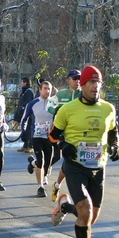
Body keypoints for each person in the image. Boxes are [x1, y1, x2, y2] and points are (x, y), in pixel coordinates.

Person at [48, 65, 119, 238]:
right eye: (91, 82)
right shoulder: (67, 109)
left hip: (98, 167)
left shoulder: (108, 108)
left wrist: (116, 147)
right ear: (82, 85)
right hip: (75, 166)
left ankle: (65, 207)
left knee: (90, 217)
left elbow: (113, 133)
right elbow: (52, 135)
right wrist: (64, 145)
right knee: (86, 210)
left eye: (98, 82)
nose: (95, 86)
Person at [46, 69, 82, 202]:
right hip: (62, 134)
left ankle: (59, 185)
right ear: (68, 80)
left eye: (79, 78)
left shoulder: (83, 94)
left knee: (74, 163)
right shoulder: (61, 94)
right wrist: (54, 110)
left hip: (78, 134)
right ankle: (58, 184)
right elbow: (49, 104)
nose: (77, 81)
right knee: (67, 161)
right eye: (74, 78)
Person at [21, 80, 53, 197]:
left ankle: (33, 163)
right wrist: (23, 131)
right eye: (45, 88)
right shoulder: (33, 103)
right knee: (41, 160)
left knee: (48, 162)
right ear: (40, 89)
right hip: (37, 136)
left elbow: (59, 119)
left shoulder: (54, 104)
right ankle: (40, 187)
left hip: (49, 137)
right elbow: (24, 119)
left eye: (49, 89)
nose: (47, 91)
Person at [14, 77, 34, 153]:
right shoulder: (24, 91)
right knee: (24, 130)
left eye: (22, 82)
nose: (21, 83)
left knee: (28, 129)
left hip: (28, 114)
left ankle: (30, 146)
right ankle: (25, 145)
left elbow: (27, 103)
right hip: (23, 113)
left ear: (25, 82)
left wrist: (23, 111)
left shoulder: (28, 91)